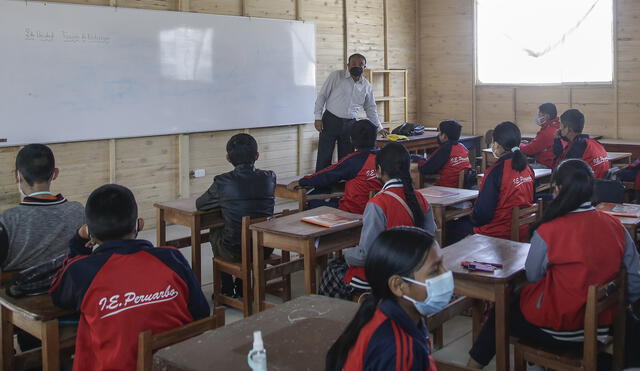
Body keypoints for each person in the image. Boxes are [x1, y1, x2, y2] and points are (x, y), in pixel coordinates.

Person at [467, 159, 640, 368]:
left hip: (561, 326)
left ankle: (474, 364)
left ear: (556, 189)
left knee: (502, 311)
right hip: (602, 323)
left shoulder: (549, 230)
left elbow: (533, 275)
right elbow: (635, 278)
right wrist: (615, 306)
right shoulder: (615, 225)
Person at [50, 184, 210, 371]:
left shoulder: (80, 272)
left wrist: (78, 242)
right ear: (139, 224)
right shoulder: (171, 257)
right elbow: (201, 311)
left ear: (89, 233)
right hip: (177, 364)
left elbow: (58, 296)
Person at [319, 142, 437, 299]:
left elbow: (366, 255)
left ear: (379, 170)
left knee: (333, 270)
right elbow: (431, 234)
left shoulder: (378, 203)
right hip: (414, 272)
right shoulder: (420, 198)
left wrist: (347, 254)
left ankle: (341, 318)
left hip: (386, 276)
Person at [326, 227, 450, 371]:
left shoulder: (385, 311)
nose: (446, 273)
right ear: (398, 285)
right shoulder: (398, 353)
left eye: (442, 264)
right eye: (435, 270)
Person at [196, 133, 275, 298]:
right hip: (264, 247)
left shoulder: (223, 182)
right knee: (245, 228)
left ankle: (226, 289)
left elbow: (200, 204)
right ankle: (241, 287)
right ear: (257, 156)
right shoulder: (270, 178)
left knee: (217, 231)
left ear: (228, 158)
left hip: (234, 252)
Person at [0, 143, 84, 271]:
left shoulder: (7, 221)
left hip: (16, 290)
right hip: (69, 288)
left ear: (17, 176)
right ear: (55, 173)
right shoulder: (78, 212)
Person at [457, 122, 534, 241]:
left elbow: (483, 215)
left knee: (454, 226)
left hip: (499, 232)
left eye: (493, 142)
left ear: (497, 144)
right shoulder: (527, 168)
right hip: (523, 230)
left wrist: (470, 216)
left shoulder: (496, 171)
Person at [286, 120, 382, 214]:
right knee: (336, 199)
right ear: (375, 139)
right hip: (378, 210)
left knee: (311, 203)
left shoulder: (353, 160)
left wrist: (301, 181)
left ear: (351, 139)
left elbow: (327, 174)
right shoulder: (386, 156)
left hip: (353, 211)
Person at [314, 53, 389, 171]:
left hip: (350, 125)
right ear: (348, 65)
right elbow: (322, 96)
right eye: (353, 63)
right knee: (325, 155)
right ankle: (320, 187)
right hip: (330, 120)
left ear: (365, 67)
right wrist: (317, 117)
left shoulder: (366, 86)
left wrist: (379, 127)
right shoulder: (336, 76)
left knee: (347, 158)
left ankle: (343, 185)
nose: (357, 66)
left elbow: (370, 108)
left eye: (361, 64)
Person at [414, 120, 472, 188]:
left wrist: (418, 160)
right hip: (461, 187)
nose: (438, 135)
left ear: (444, 136)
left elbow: (426, 169)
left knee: (414, 170)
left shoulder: (446, 149)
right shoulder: (462, 147)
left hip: (446, 188)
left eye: (440, 132)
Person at [553, 109, 609, 179]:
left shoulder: (577, 147)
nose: (559, 129)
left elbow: (560, 172)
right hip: (599, 186)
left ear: (567, 129)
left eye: (561, 125)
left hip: (587, 188)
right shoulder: (595, 143)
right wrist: (557, 140)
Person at [519, 103, 562, 168]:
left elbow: (529, 150)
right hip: (553, 164)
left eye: (539, 115)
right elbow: (540, 145)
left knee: (520, 167)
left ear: (546, 116)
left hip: (546, 165)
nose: (537, 117)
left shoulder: (547, 132)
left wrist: (517, 145)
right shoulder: (556, 127)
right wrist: (529, 143)